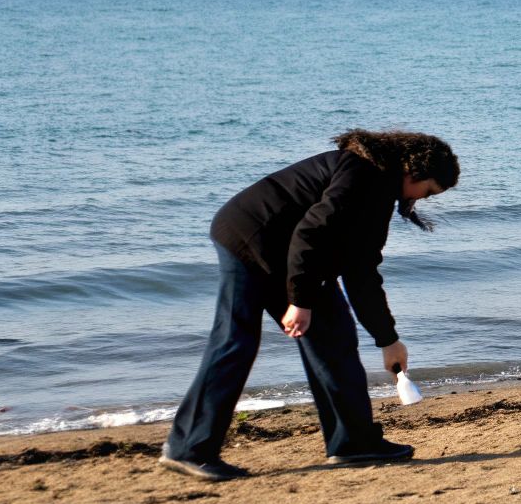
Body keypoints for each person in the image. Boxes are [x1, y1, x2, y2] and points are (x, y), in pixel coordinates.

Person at [159, 130, 459, 481]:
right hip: (251, 236)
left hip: (289, 252)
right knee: (235, 342)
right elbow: (311, 232)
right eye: (426, 192)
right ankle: (188, 448)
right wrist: (299, 301)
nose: (419, 201)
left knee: (334, 336)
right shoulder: (365, 176)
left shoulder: (378, 185)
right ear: (413, 174)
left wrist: (387, 339)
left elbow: (361, 271)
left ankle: (354, 443)